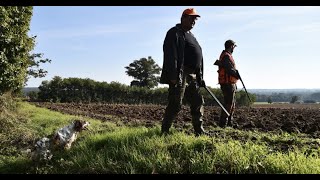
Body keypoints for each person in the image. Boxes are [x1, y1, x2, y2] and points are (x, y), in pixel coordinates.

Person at [159, 8, 207, 136]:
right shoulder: (174, 33)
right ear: (183, 18)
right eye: (191, 18)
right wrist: (174, 75)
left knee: (197, 101)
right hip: (180, 73)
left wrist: (200, 76)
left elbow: (198, 57)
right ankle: (165, 131)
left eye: (195, 19)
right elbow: (170, 55)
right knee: (175, 104)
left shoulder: (191, 36)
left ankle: (199, 131)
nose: (193, 21)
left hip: (192, 75)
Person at [214, 39, 239, 128]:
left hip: (229, 83)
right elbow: (229, 69)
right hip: (227, 83)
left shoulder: (226, 55)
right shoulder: (226, 56)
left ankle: (229, 123)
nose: (234, 49)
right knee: (228, 104)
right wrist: (237, 74)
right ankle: (223, 124)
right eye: (234, 47)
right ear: (231, 46)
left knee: (231, 104)